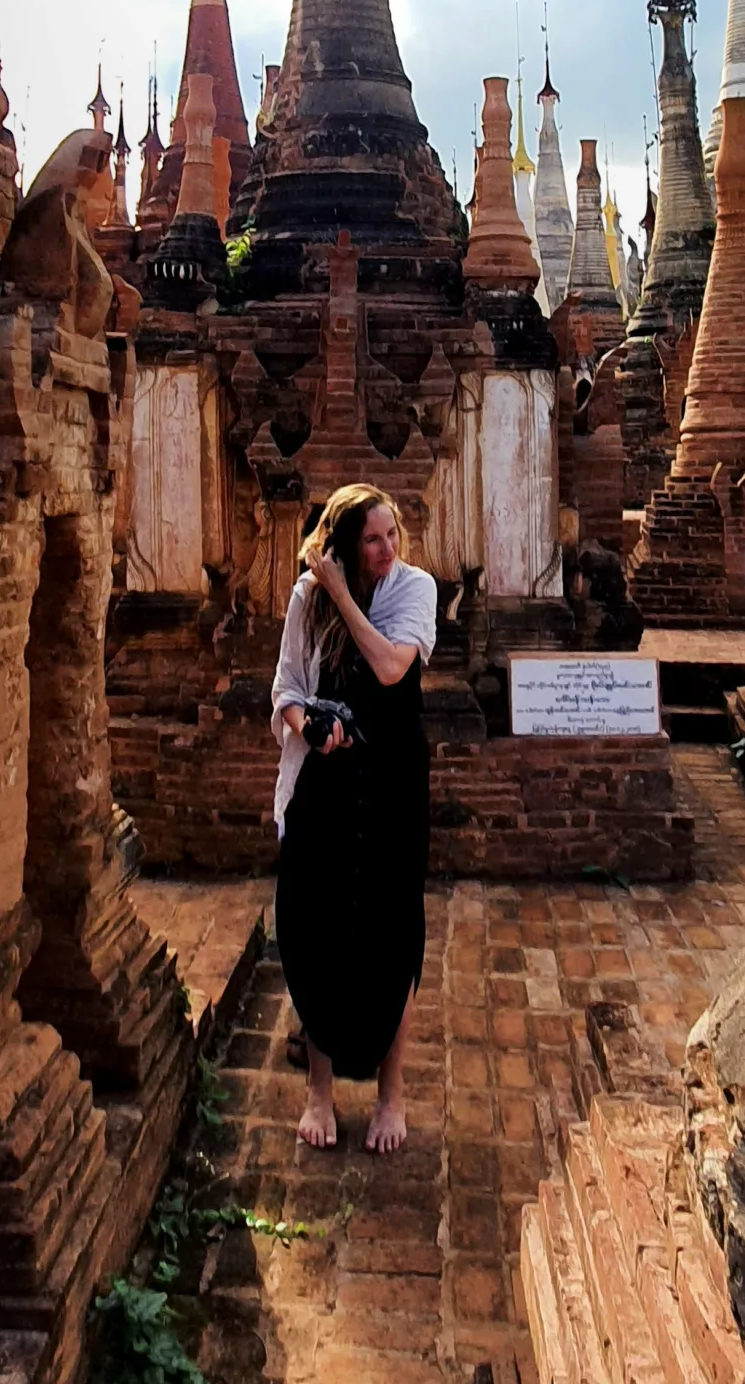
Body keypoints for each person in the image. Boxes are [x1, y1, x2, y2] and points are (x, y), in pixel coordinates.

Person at [270, 482, 439, 1153]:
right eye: (371, 539)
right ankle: (318, 1090)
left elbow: (392, 667)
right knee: (316, 928)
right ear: (342, 544)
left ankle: (389, 1097)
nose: (386, 550)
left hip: (394, 778)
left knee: (392, 932)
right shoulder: (304, 601)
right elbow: (286, 687)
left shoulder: (413, 589)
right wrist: (306, 726)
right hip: (326, 782)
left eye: (391, 535)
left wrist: (340, 593)